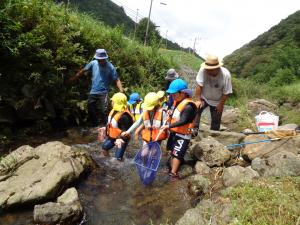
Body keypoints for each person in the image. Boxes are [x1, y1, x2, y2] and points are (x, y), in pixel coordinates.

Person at [70, 49, 124, 127]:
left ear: (105, 58)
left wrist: (121, 91)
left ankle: (106, 127)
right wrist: (74, 77)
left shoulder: (110, 67)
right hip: (93, 91)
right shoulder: (93, 63)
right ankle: (95, 125)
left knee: (104, 110)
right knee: (90, 107)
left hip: (104, 92)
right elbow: (83, 70)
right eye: (98, 60)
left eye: (101, 60)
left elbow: (116, 79)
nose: (100, 61)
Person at [161, 79, 197, 180]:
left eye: (174, 94)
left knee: (177, 153)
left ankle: (173, 173)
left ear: (182, 93)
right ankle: (170, 168)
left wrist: (168, 126)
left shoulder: (189, 106)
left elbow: (184, 120)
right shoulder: (177, 102)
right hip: (175, 132)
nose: (172, 96)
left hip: (183, 135)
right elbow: (175, 114)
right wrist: (169, 112)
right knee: (172, 150)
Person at [193, 55, 233, 135]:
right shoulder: (203, 70)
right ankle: (194, 130)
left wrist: (221, 105)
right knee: (195, 110)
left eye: (211, 70)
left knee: (216, 122)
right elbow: (199, 86)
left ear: (217, 68)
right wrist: (198, 100)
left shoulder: (226, 75)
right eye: (207, 69)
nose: (208, 71)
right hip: (204, 97)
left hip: (217, 101)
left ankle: (213, 137)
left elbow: (226, 92)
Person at [101, 92, 133, 161]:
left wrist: (119, 139)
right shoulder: (114, 111)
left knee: (117, 158)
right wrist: (105, 128)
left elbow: (125, 132)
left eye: (113, 101)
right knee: (104, 148)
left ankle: (120, 163)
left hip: (122, 138)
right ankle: (108, 162)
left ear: (116, 102)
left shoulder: (125, 116)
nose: (111, 102)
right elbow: (111, 124)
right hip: (113, 136)